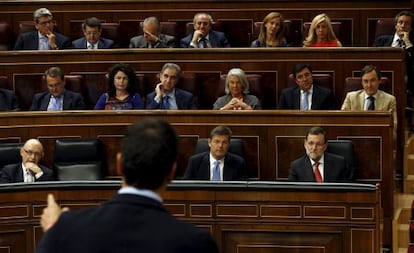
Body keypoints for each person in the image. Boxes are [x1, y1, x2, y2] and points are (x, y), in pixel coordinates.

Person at [35, 119, 219, 253]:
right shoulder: (196, 243)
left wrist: (53, 230)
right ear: (172, 173)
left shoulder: (66, 228)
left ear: (119, 164)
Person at [341, 65, 397, 131]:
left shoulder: (390, 100)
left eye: (372, 80)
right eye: (365, 81)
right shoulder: (351, 97)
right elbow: (342, 121)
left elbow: (394, 126)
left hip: (379, 136)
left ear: (379, 81)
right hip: (355, 135)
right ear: (361, 82)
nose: (369, 85)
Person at [288, 126, 354, 182]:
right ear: (305, 144)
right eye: (311, 143)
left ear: (325, 146)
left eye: (318, 144)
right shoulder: (296, 167)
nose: (314, 148)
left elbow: (348, 191)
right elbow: (292, 193)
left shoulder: (340, 163)